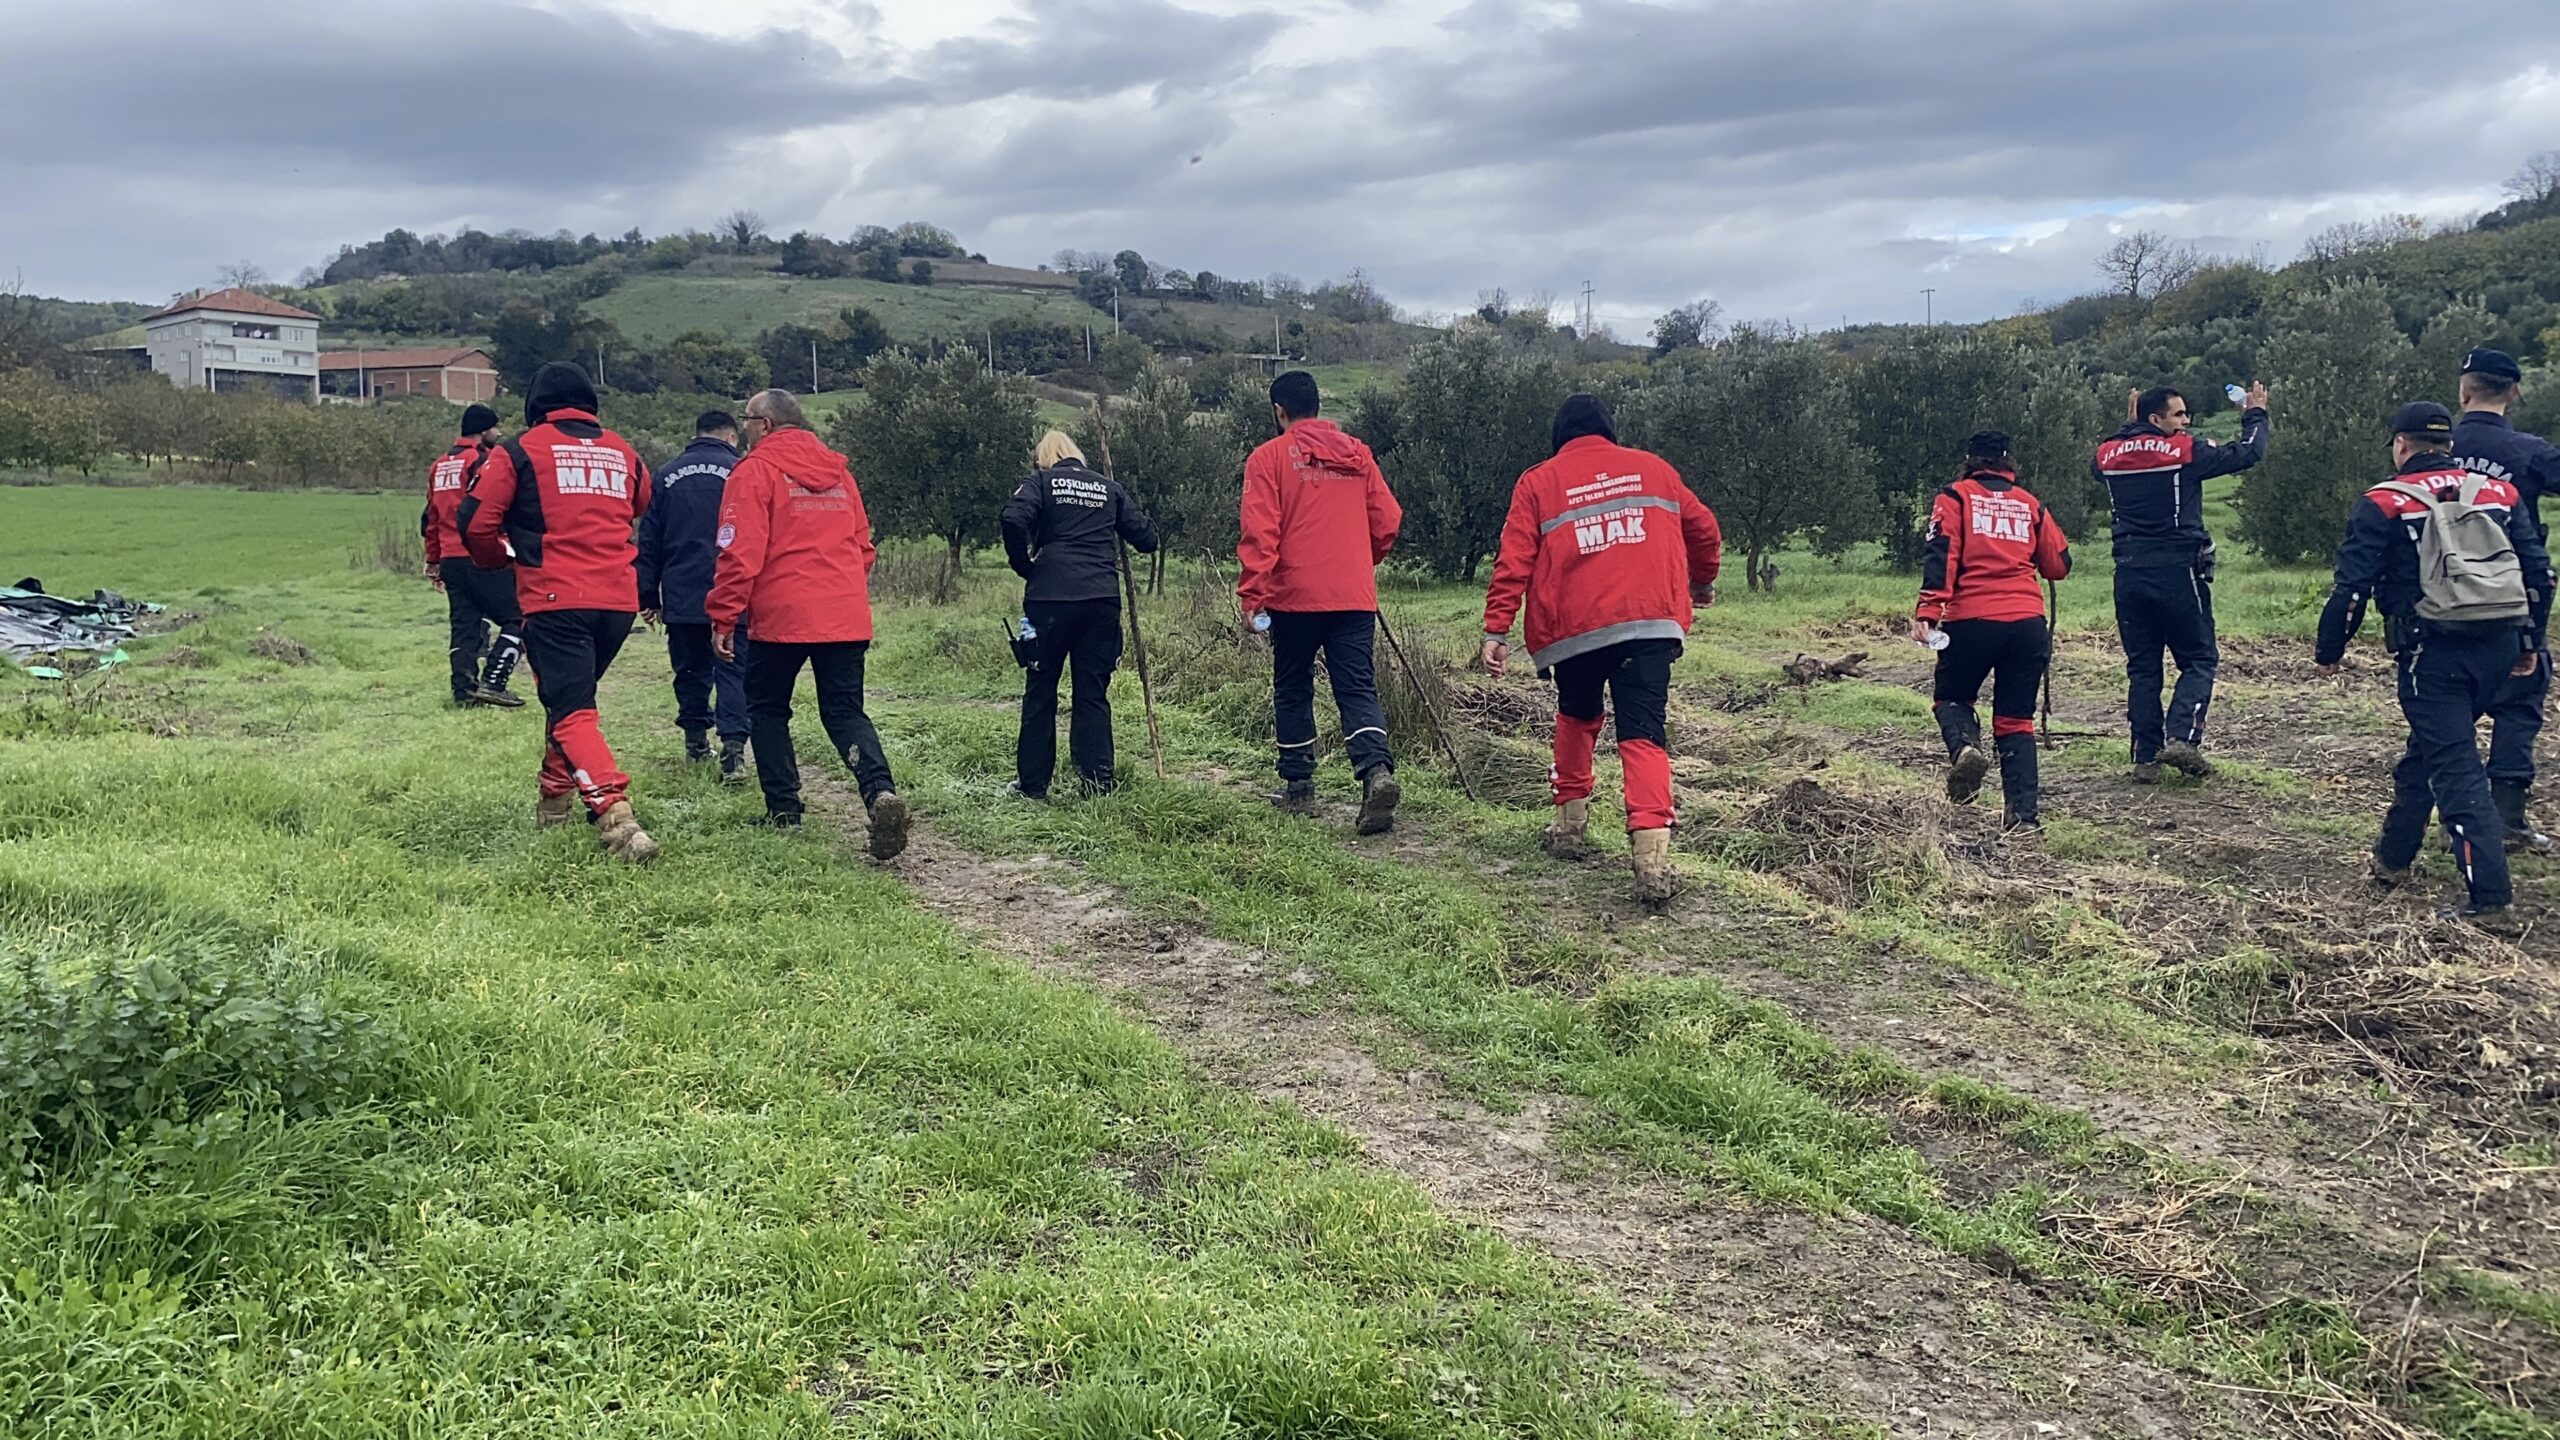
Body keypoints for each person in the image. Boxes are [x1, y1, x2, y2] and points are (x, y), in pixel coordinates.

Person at [1480, 394, 1722, 904]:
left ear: (1558, 438)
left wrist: (1496, 630)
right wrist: (1702, 583)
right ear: (1610, 430)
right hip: (1651, 625)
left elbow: (1514, 559)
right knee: (1644, 733)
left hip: (1576, 631)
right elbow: (1704, 529)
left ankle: (1569, 828)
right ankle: (1652, 859)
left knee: (1576, 716)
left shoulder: (1539, 481)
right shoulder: (1653, 470)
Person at [2315, 402, 2547, 929]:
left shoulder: (2385, 501)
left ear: (2401, 444)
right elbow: (2537, 570)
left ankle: (2489, 899)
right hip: (2501, 643)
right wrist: (2529, 639)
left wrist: (2330, 650)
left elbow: (2352, 589)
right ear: (2448, 444)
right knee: (2428, 752)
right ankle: (2393, 858)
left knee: (2455, 769)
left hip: (2432, 652)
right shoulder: (2499, 494)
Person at [459, 363, 658, 863]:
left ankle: (616, 818)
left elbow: (477, 521)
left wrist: (499, 559)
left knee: (571, 712)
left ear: (534, 405)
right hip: (617, 600)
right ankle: (553, 803)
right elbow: (640, 503)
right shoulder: (624, 450)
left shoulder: (519, 450)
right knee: (570, 702)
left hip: (555, 597)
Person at [705, 389, 909, 860]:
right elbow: (863, 548)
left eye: (748, 421)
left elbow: (739, 554)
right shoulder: (841, 475)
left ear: (765, 425)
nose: (745, 431)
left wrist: (724, 614)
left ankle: (784, 810)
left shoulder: (753, 472)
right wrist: (837, 592)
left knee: (768, 708)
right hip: (844, 613)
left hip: (782, 616)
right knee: (844, 711)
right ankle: (879, 792)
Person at [1237, 370, 1405, 834]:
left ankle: (1299, 788)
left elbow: (1261, 531)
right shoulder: (1358, 455)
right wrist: (1359, 561)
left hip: (1293, 598)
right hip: (1353, 597)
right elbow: (1388, 521)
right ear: (1318, 405)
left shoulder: (1268, 459)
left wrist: (1253, 592)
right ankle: (1376, 772)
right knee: (1356, 687)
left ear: (1279, 411)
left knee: (1293, 686)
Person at [2093, 382, 2270, 782]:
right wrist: (2255, 414)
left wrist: (2129, 426)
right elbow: (2250, 452)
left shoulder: (2106, 454)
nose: (2186, 421)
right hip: (2178, 570)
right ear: (2156, 419)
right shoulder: (2185, 450)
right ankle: (2183, 738)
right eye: (2178, 415)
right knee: (2199, 658)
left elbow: (2102, 461)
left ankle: (2145, 758)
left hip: (2128, 572)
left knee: (2143, 668)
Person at [1914, 431, 2072, 830]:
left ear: (1969, 460)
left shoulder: (1954, 498)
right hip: (2027, 623)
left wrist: (1928, 610)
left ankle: (1967, 748)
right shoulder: (2031, 504)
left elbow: (1942, 553)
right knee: (2016, 721)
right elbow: (2059, 566)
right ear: (2008, 462)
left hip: (1972, 620)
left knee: (1952, 697)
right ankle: (2023, 819)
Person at [1000, 429, 1159, 799]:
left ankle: (1033, 786)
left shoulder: (1040, 481)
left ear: (1044, 458)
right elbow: (1148, 539)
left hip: (1049, 600)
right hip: (1100, 600)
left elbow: (1012, 518)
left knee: (1041, 690)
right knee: (1092, 693)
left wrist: (1024, 565)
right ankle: (1097, 783)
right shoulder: (1108, 488)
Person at [2453, 347, 2560, 854]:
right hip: (2511, 590)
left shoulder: (2436, 444)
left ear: (2464, 390)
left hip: (2443, 593)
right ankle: (2508, 818)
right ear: (2513, 391)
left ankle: (2432, 806)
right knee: (2520, 699)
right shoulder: (2529, 450)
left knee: (2445, 702)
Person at [638, 411, 751, 781]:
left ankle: (696, 743)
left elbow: (650, 539)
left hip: (682, 593)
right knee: (733, 672)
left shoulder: (666, 474)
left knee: (690, 672)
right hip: (733, 593)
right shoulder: (743, 471)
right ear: (731, 437)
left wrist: (648, 594)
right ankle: (734, 753)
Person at [421, 403, 525, 709]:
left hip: (451, 560)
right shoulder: (484, 460)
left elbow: (431, 518)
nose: (500, 433)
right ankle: (494, 680)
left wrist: (433, 559)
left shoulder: (439, 465)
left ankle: (464, 694)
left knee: (464, 628)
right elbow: (491, 506)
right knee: (519, 617)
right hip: (481, 554)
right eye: (495, 428)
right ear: (483, 431)